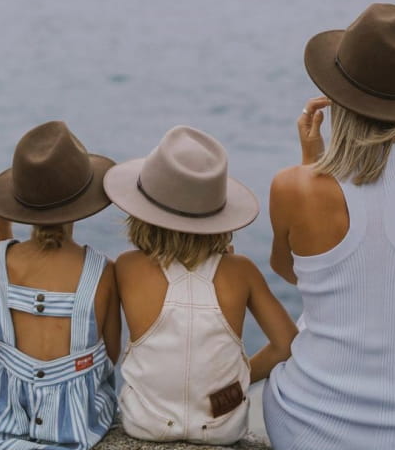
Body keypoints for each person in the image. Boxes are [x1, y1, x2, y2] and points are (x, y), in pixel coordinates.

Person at [264, 3, 395, 450]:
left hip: (313, 426)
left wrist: (311, 162)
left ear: (334, 94)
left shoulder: (292, 186)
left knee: (276, 388)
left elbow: (294, 271)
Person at [103, 125, 298, 445]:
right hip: (221, 428)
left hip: (145, 421)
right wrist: (237, 381)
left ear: (142, 213)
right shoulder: (241, 271)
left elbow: (107, 349)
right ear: (217, 218)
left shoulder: (127, 266)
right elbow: (287, 343)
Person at [0, 120, 120, 450]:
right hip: (76, 416)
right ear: (84, 201)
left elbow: (7, 266)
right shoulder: (102, 270)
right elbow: (113, 352)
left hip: (4, 409)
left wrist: (2, 228)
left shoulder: (2, 257)